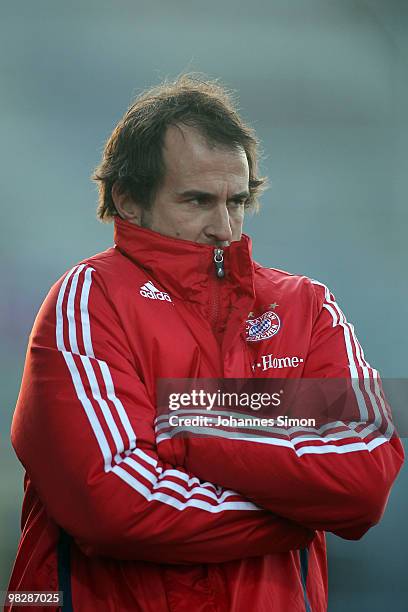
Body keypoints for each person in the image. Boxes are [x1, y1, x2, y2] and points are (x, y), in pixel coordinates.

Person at [6, 75, 404, 612]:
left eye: (236, 201)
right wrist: (298, 507)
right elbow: (116, 506)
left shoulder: (307, 306)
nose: (224, 227)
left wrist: (185, 426)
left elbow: (365, 478)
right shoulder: (88, 299)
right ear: (128, 200)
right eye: (197, 200)